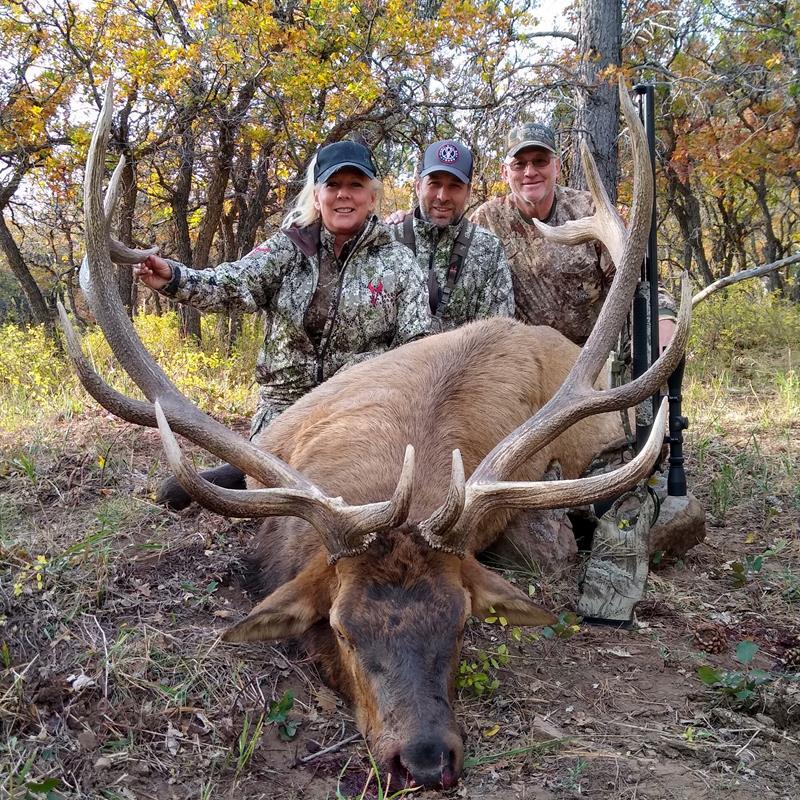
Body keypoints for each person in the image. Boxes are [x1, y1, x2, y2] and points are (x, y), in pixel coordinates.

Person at [134, 140, 432, 508]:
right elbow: (233, 284)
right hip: (285, 415)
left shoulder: (400, 263)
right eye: (333, 185)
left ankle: (246, 475)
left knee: (348, 492)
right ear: (317, 195)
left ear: (371, 198)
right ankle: (250, 471)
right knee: (274, 493)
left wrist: (376, 388)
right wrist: (174, 278)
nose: (343, 195)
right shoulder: (287, 248)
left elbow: (418, 351)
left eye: (355, 185)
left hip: (361, 414)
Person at [471, 122, 677, 348]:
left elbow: (639, 279)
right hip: (521, 358)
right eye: (519, 164)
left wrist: (663, 319)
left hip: (592, 354)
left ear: (557, 167)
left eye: (540, 161)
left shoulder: (591, 210)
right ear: (504, 172)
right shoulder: (485, 220)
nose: (530, 172)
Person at [387, 140, 513, 330]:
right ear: (418, 186)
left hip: (466, 351)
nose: (443, 196)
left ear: (468, 192)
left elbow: (498, 333)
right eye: (434, 184)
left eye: (454, 186)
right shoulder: (388, 240)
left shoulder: (488, 250)